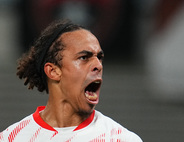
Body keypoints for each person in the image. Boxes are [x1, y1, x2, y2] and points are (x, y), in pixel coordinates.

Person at [0, 19, 142, 142]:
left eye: (99, 57)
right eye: (84, 57)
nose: (98, 65)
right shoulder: (12, 138)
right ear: (53, 71)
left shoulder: (121, 139)